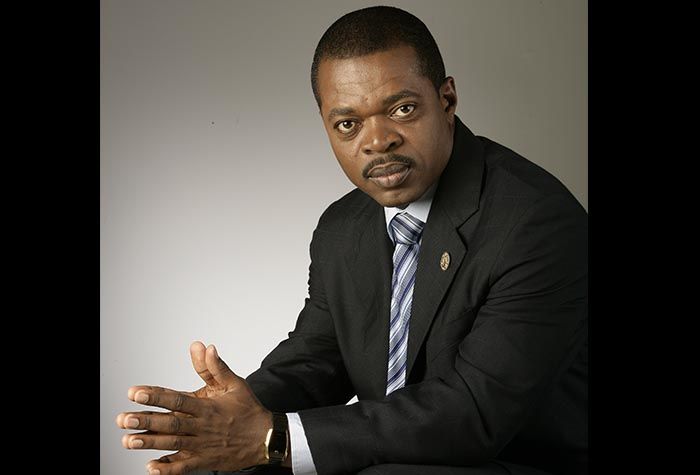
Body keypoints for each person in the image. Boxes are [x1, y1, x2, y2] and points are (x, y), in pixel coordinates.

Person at [115, 6, 588, 475]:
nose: (377, 141)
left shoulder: (535, 223)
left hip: (518, 459)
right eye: (348, 124)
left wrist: (272, 437)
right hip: (396, 454)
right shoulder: (343, 227)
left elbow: (475, 411)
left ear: (446, 100)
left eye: (402, 109)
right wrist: (225, 419)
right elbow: (317, 361)